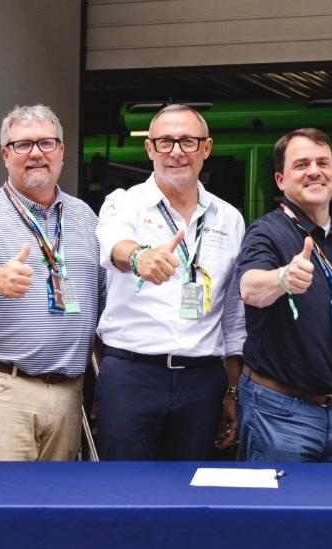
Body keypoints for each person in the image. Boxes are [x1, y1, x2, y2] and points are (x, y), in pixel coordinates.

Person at [0, 104, 103, 461]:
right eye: (23, 145)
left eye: (46, 143)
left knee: (56, 508)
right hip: (2, 388)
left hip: (68, 393)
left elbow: (103, 307)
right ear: (6, 155)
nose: (36, 153)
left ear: (62, 152)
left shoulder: (85, 217)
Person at [94, 104, 244, 459]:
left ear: (206, 148)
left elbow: (233, 315)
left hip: (202, 379)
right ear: (149, 149)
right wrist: (139, 257)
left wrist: (232, 391)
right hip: (132, 375)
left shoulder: (229, 218)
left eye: (187, 141)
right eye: (165, 142)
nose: (176, 152)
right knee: (123, 490)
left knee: (192, 490)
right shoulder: (124, 204)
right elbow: (116, 244)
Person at [236, 128, 332, 461]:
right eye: (301, 164)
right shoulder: (265, 232)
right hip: (277, 412)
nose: (314, 171)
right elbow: (249, 287)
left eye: (322, 163)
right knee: (276, 511)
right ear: (280, 180)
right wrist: (282, 278)